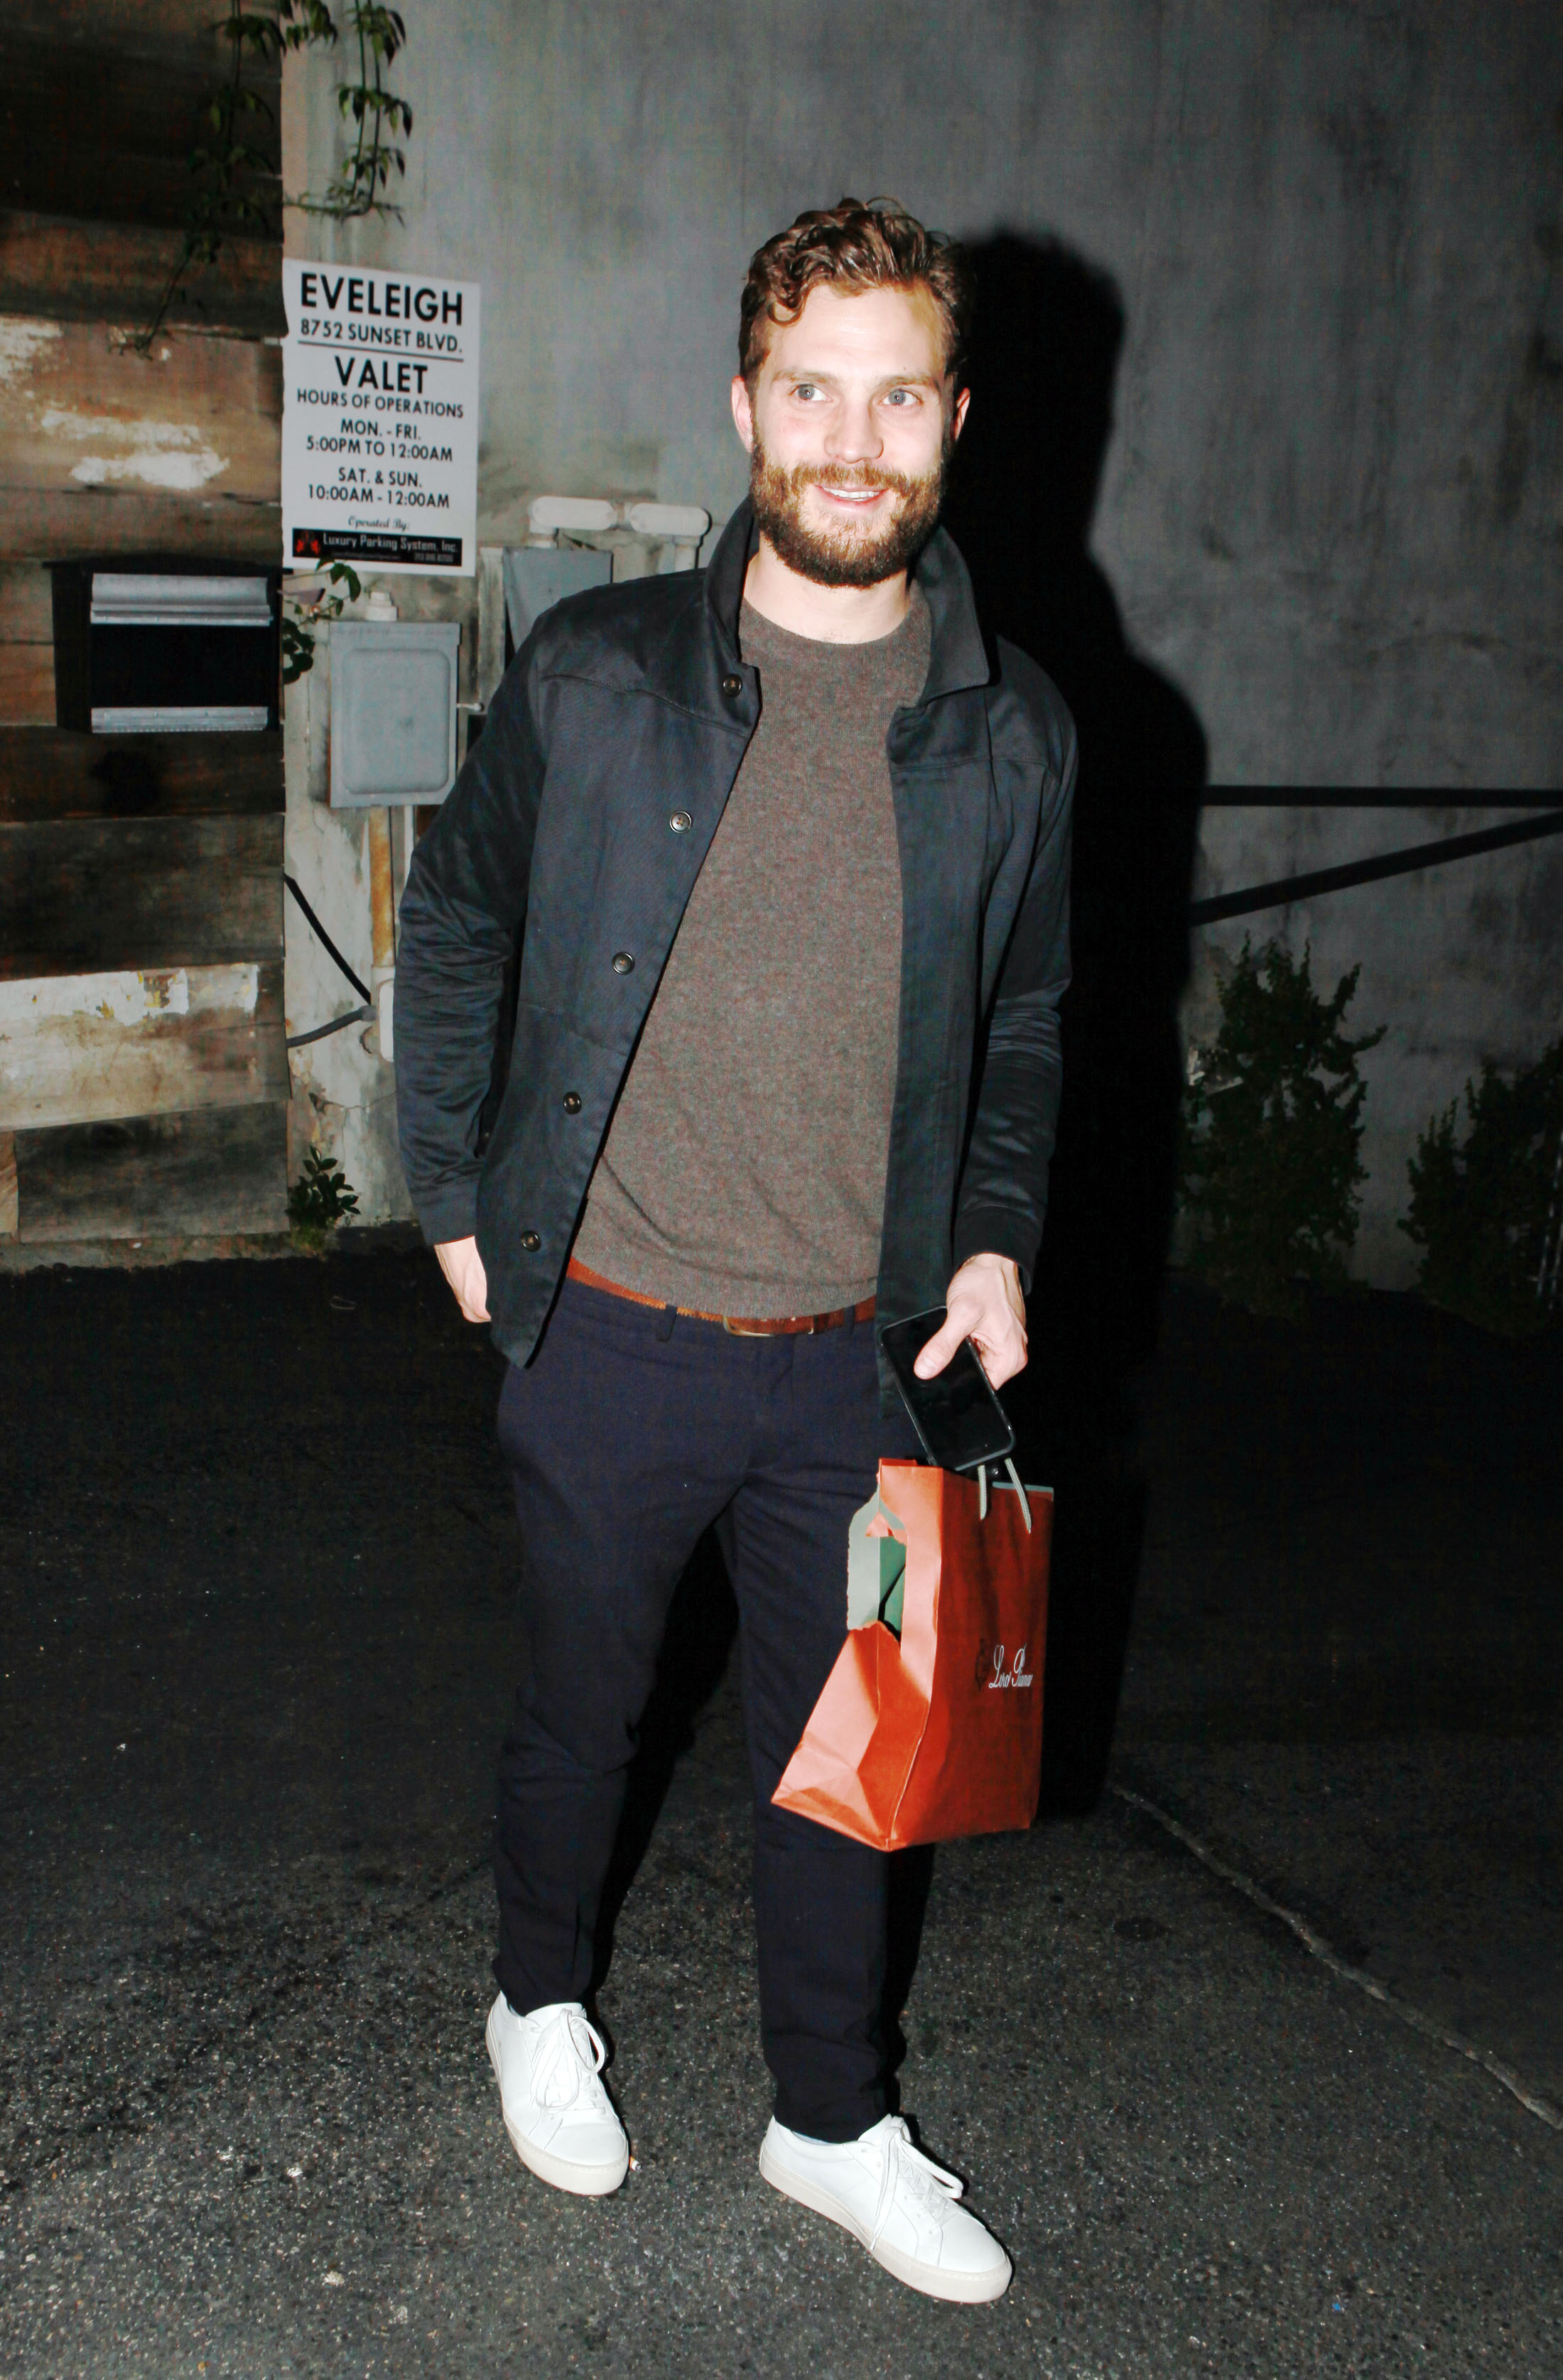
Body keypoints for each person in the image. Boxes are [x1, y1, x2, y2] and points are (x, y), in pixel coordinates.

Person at [394, 197, 1075, 2305]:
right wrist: (450, 1201)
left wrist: (994, 1237)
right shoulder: (598, 676)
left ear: (955, 419)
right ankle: (536, 2001)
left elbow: (1031, 1017)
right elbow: (460, 919)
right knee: (585, 1712)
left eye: (898, 398)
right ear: (745, 406)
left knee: (848, 1764)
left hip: (861, 1364)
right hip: (612, 1325)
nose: (853, 443)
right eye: (812, 392)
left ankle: (832, 2119)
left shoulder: (1018, 731)